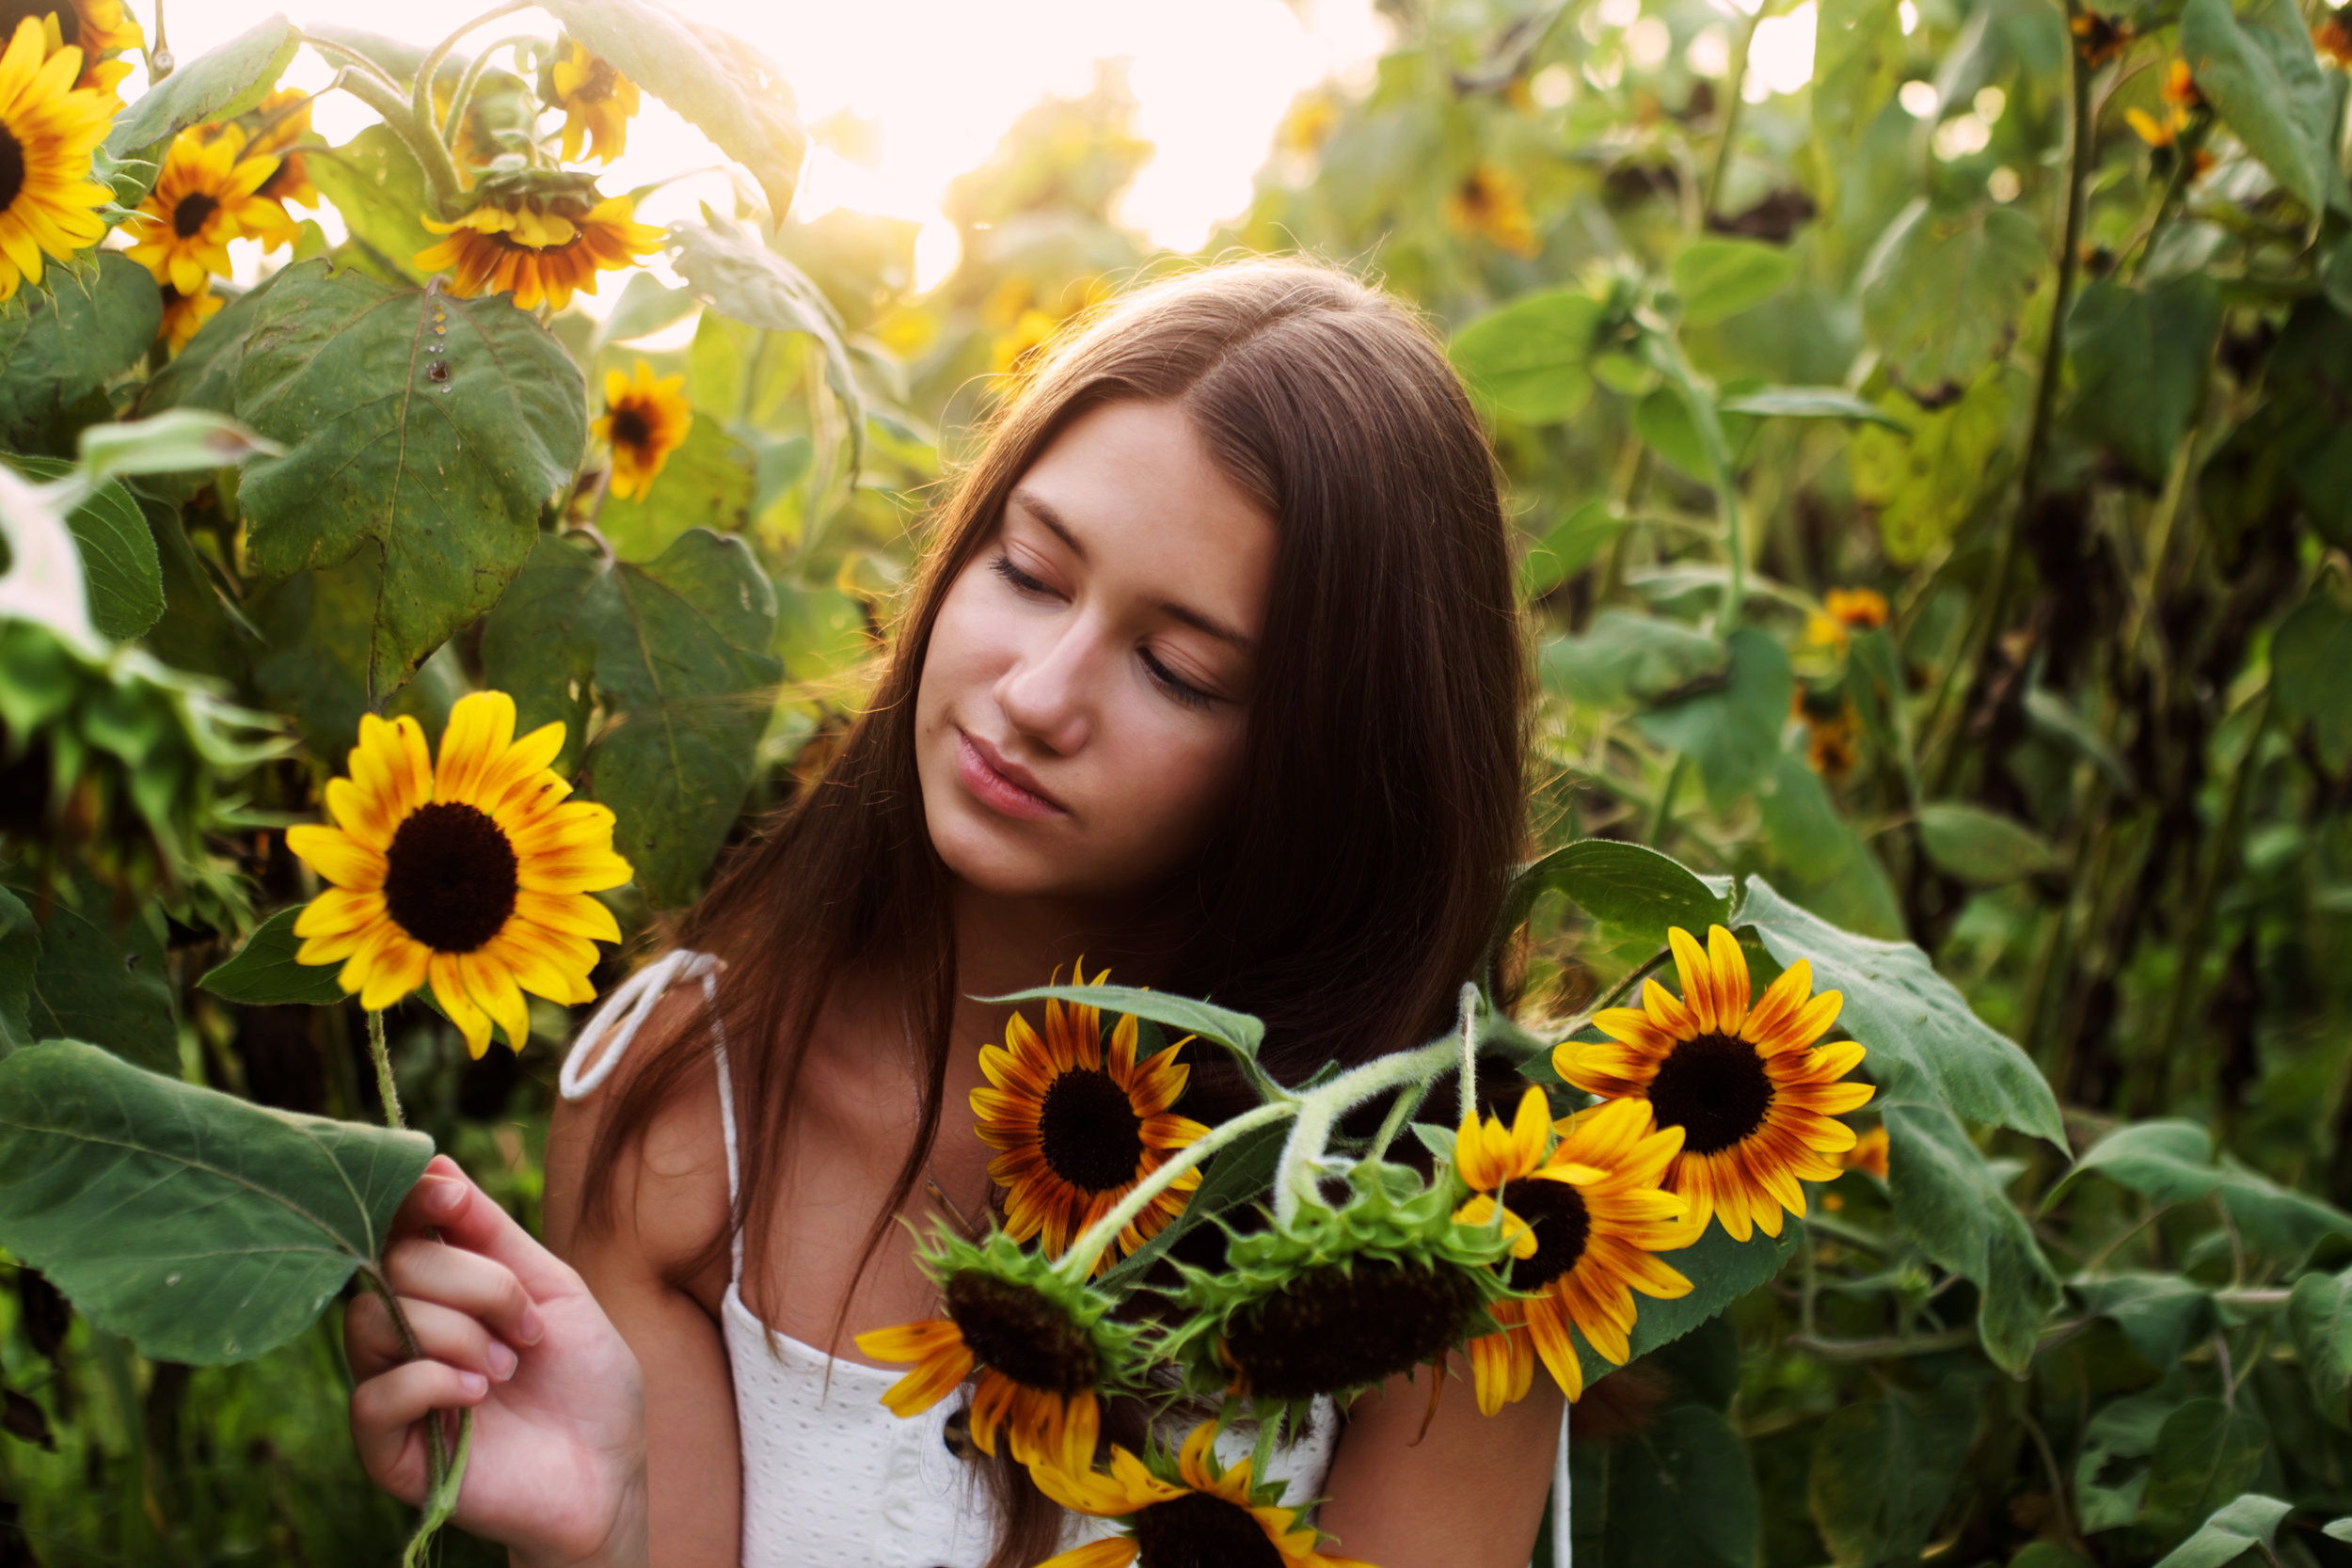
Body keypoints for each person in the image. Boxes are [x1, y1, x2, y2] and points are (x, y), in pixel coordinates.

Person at [342, 257, 1557, 1568]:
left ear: (1332, 768)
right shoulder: (693, 1093)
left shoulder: (1446, 1226)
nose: (1040, 692)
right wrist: (607, 1525)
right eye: (1031, 572)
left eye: (1178, 668)